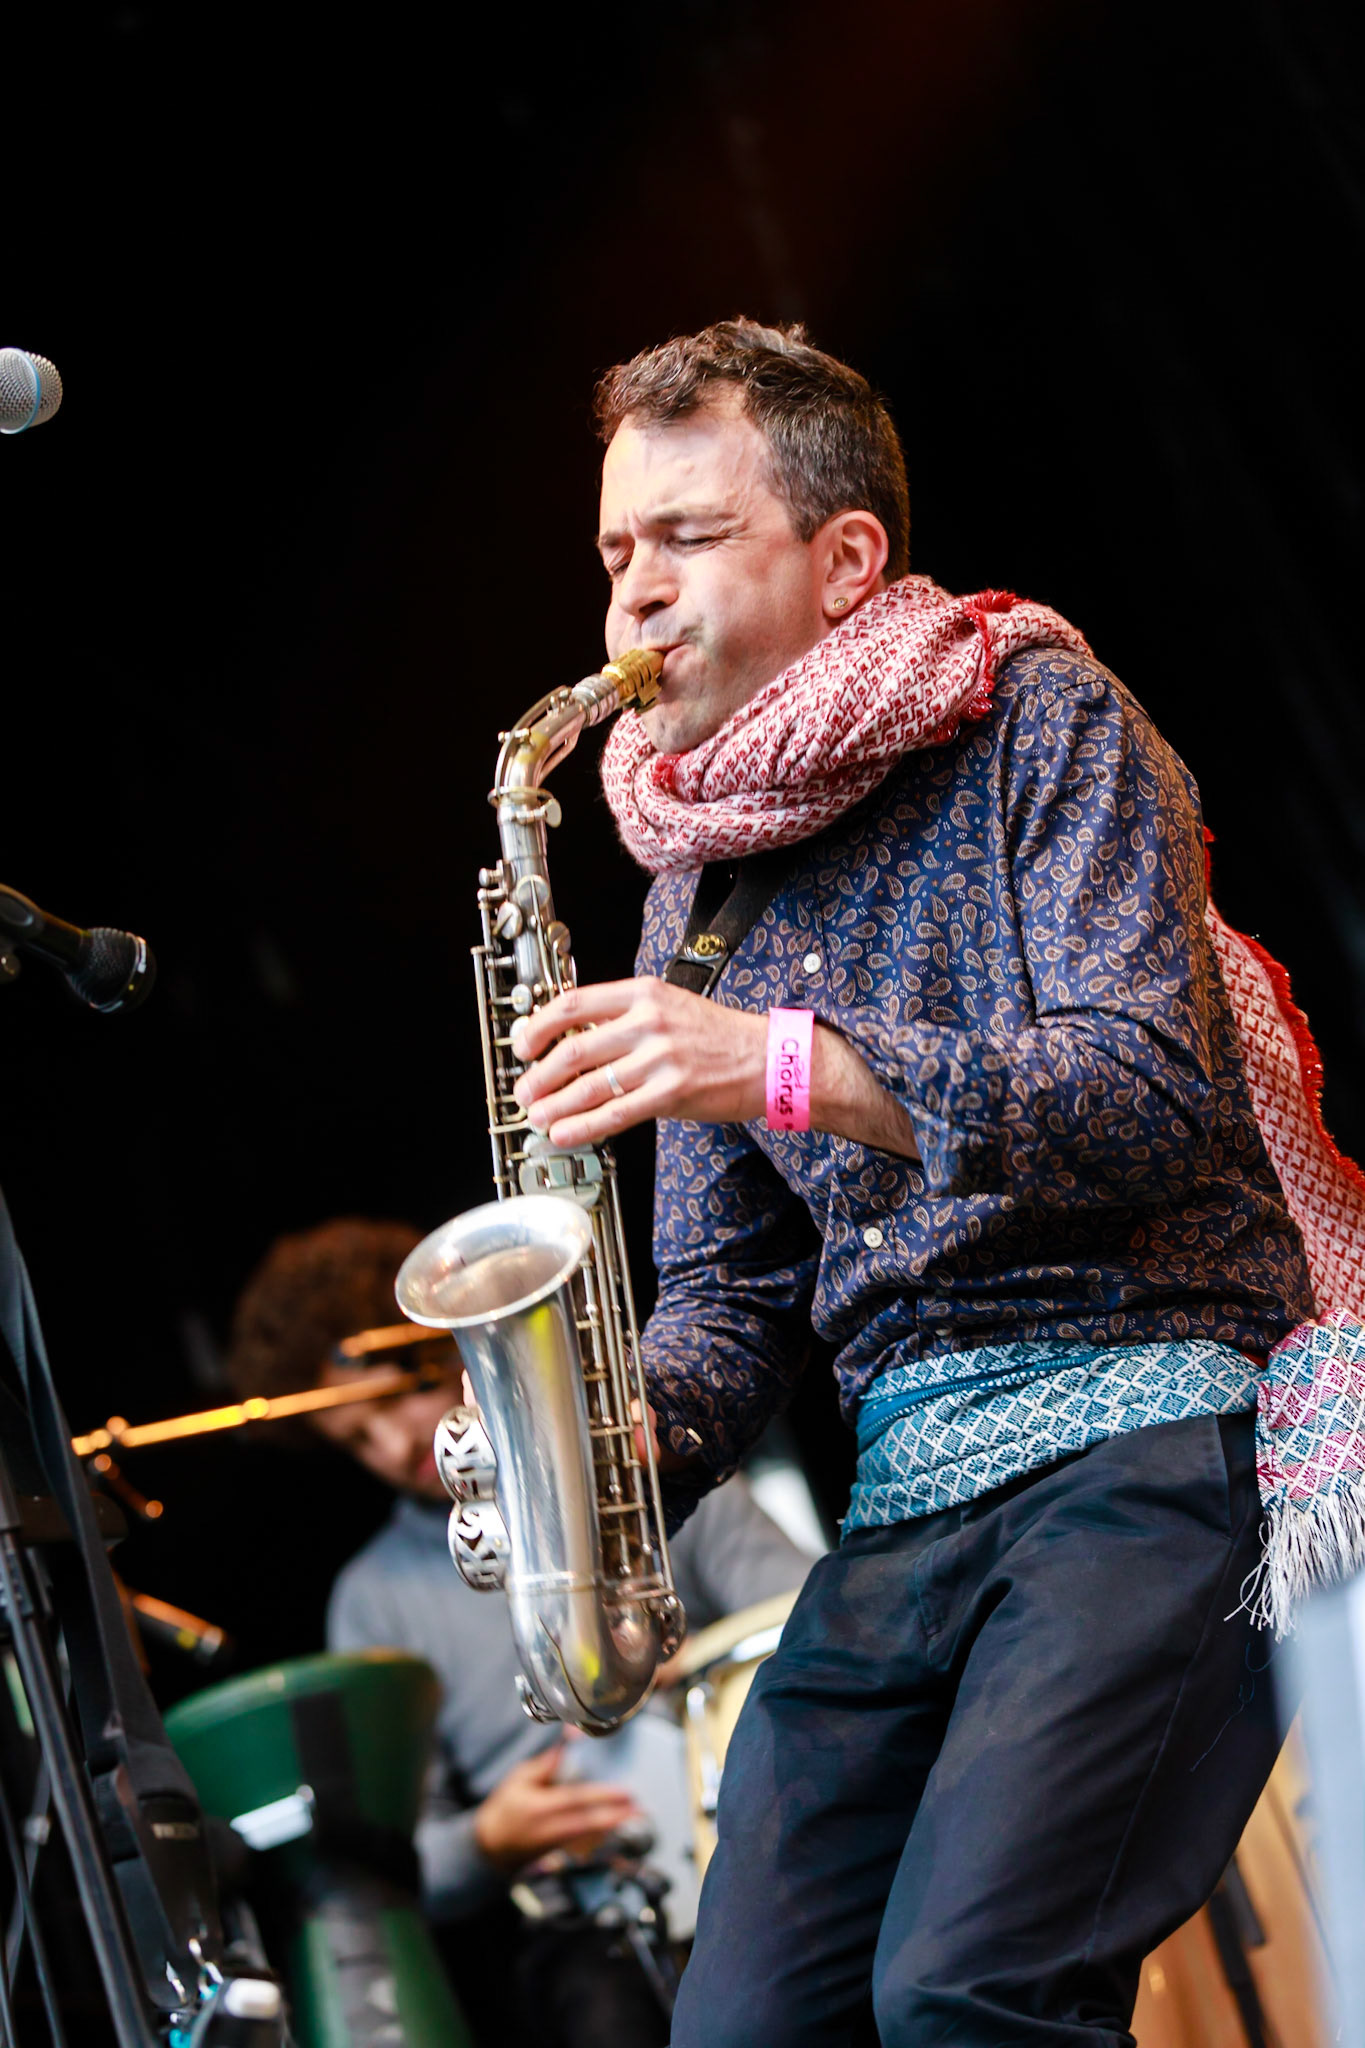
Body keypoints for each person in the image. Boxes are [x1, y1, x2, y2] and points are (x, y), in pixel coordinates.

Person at [502, 318, 1356, 2047]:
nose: (633, 595)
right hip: (908, 1500)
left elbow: (1143, 1096)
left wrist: (781, 1061)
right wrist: (578, 1438)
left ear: (846, 560)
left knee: (969, 1995)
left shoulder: (1041, 712)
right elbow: (733, 1309)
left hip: (1158, 1434)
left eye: (687, 538)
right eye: (612, 554)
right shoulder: (692, 885)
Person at [226, 1214, 816, 2048]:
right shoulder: (370, 1599)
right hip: (589, 1916)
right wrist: (490, 1838)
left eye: (396, 1400)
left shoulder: (638, 1463)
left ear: (445, 1354)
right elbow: (399, 1865)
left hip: (765, 1837)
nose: (396, 1446)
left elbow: (805, 1622)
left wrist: (688, 1662)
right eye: (357, 1439)